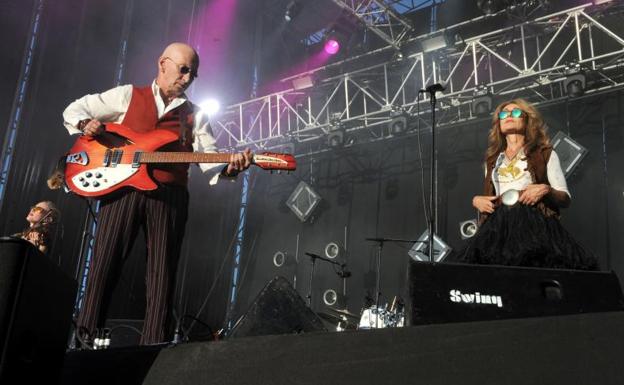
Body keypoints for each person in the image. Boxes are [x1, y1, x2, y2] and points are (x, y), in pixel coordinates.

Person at [62, 42, 252, 345]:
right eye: (184, 69)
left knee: (162, 276)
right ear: (163, 63)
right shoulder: (127, 95)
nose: (188, 78)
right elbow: (75, 109)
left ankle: (153, 350)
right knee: (103, 267)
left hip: (169, 197)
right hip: (122, 189)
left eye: (194, 74)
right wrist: (87, 123)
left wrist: (232, 168)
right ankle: (83, 343)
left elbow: (211, 161)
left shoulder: (196, 115)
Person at [457, 98, 598, 270]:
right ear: (498, 124)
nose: (508, 116)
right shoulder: (492, 160)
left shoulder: (545, 153)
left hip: (533, 224)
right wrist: (477, 201)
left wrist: (546, 190)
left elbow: (565, 198)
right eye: (503, 114)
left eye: (515, 113)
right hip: (499, 228)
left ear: (527, 120)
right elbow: (490, 196)